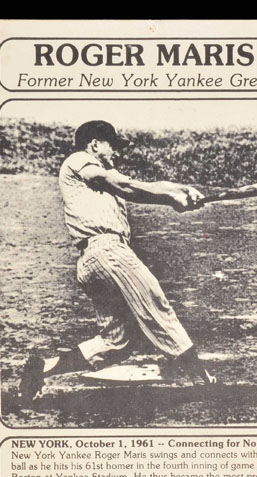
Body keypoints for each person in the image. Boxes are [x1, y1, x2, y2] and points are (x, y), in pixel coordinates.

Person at [19, 120, 214, 405]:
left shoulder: (101, 177)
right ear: (95, 143)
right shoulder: (79, 161)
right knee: (158, 308)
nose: (117, 154)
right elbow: (126, 185)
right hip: (109, 253)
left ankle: (42, 368)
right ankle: (204, 380)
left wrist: (181, 191)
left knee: (117, 341)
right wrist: (172, 196)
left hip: (94, 261)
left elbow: (137, 189)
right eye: (113, 146)